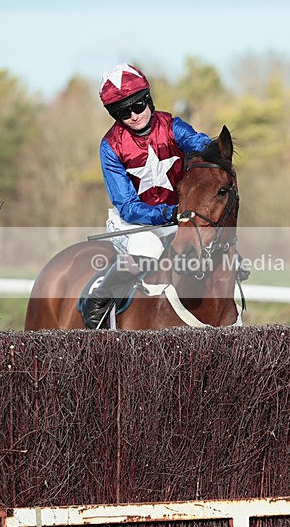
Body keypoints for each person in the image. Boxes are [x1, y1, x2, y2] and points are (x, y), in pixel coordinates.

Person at [79, 63, 212, 328]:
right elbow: (127, 205)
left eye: (138, 105)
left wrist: (215, 148)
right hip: (135, 222)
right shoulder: (110, 146)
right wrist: (165, 214)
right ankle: (99, 298)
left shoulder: (173, 127)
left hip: (178, 215)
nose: (133, 115)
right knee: (147, 252)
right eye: (122, 112)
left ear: (148, 99)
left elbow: (198, 143)